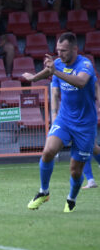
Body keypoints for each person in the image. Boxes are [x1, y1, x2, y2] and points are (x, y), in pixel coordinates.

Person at [22, 32, 97, 212]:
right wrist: (34, 78)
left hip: (85, 125)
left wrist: (55, 71)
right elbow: (49, 71)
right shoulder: (58, 64)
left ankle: (71, 198)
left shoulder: (85, 64)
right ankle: (44, 191)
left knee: (75, 170)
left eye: (63, 51)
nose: (60, 54)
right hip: (64, 119)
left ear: (74, 49)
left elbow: (80, 82)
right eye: (57, 50)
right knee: (48, 151)